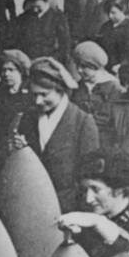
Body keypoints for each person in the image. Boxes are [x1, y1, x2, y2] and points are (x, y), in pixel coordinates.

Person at [14, 57, 100, 211]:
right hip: (31, 204)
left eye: (44, 94)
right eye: (34, 95)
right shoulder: (28, 118)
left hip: (67, 207)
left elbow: (90, 176)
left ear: (60, 90)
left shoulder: (83, 122)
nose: (38, 101)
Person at [55, 148, 129, 257]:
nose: (88, 199)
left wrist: (100, 223)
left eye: (96, 189)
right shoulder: (88, 216)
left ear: (119, 189)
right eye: (85, 190)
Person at [0, 0, 72, 67]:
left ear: (46, 2)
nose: (35, 10)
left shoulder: (58, 17)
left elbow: (65, 46)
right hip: (27, 63)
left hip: (50, 63)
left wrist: (54, 62)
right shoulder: (21, 19)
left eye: (38, 7)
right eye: (32, 7)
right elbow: (12, 43)